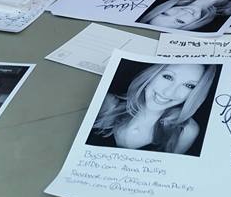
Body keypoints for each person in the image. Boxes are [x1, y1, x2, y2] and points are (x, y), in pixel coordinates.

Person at [86, 63, 217, 154]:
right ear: (152, 75)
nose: (168, 92)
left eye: (189, 86)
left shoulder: (185, 131)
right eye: (168, 77)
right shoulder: (108, 103)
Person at [136, 0, 231, 31]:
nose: (179, 13)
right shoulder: (228, 12)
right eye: (180, 21)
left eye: (165, 14)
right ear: (193, 25)